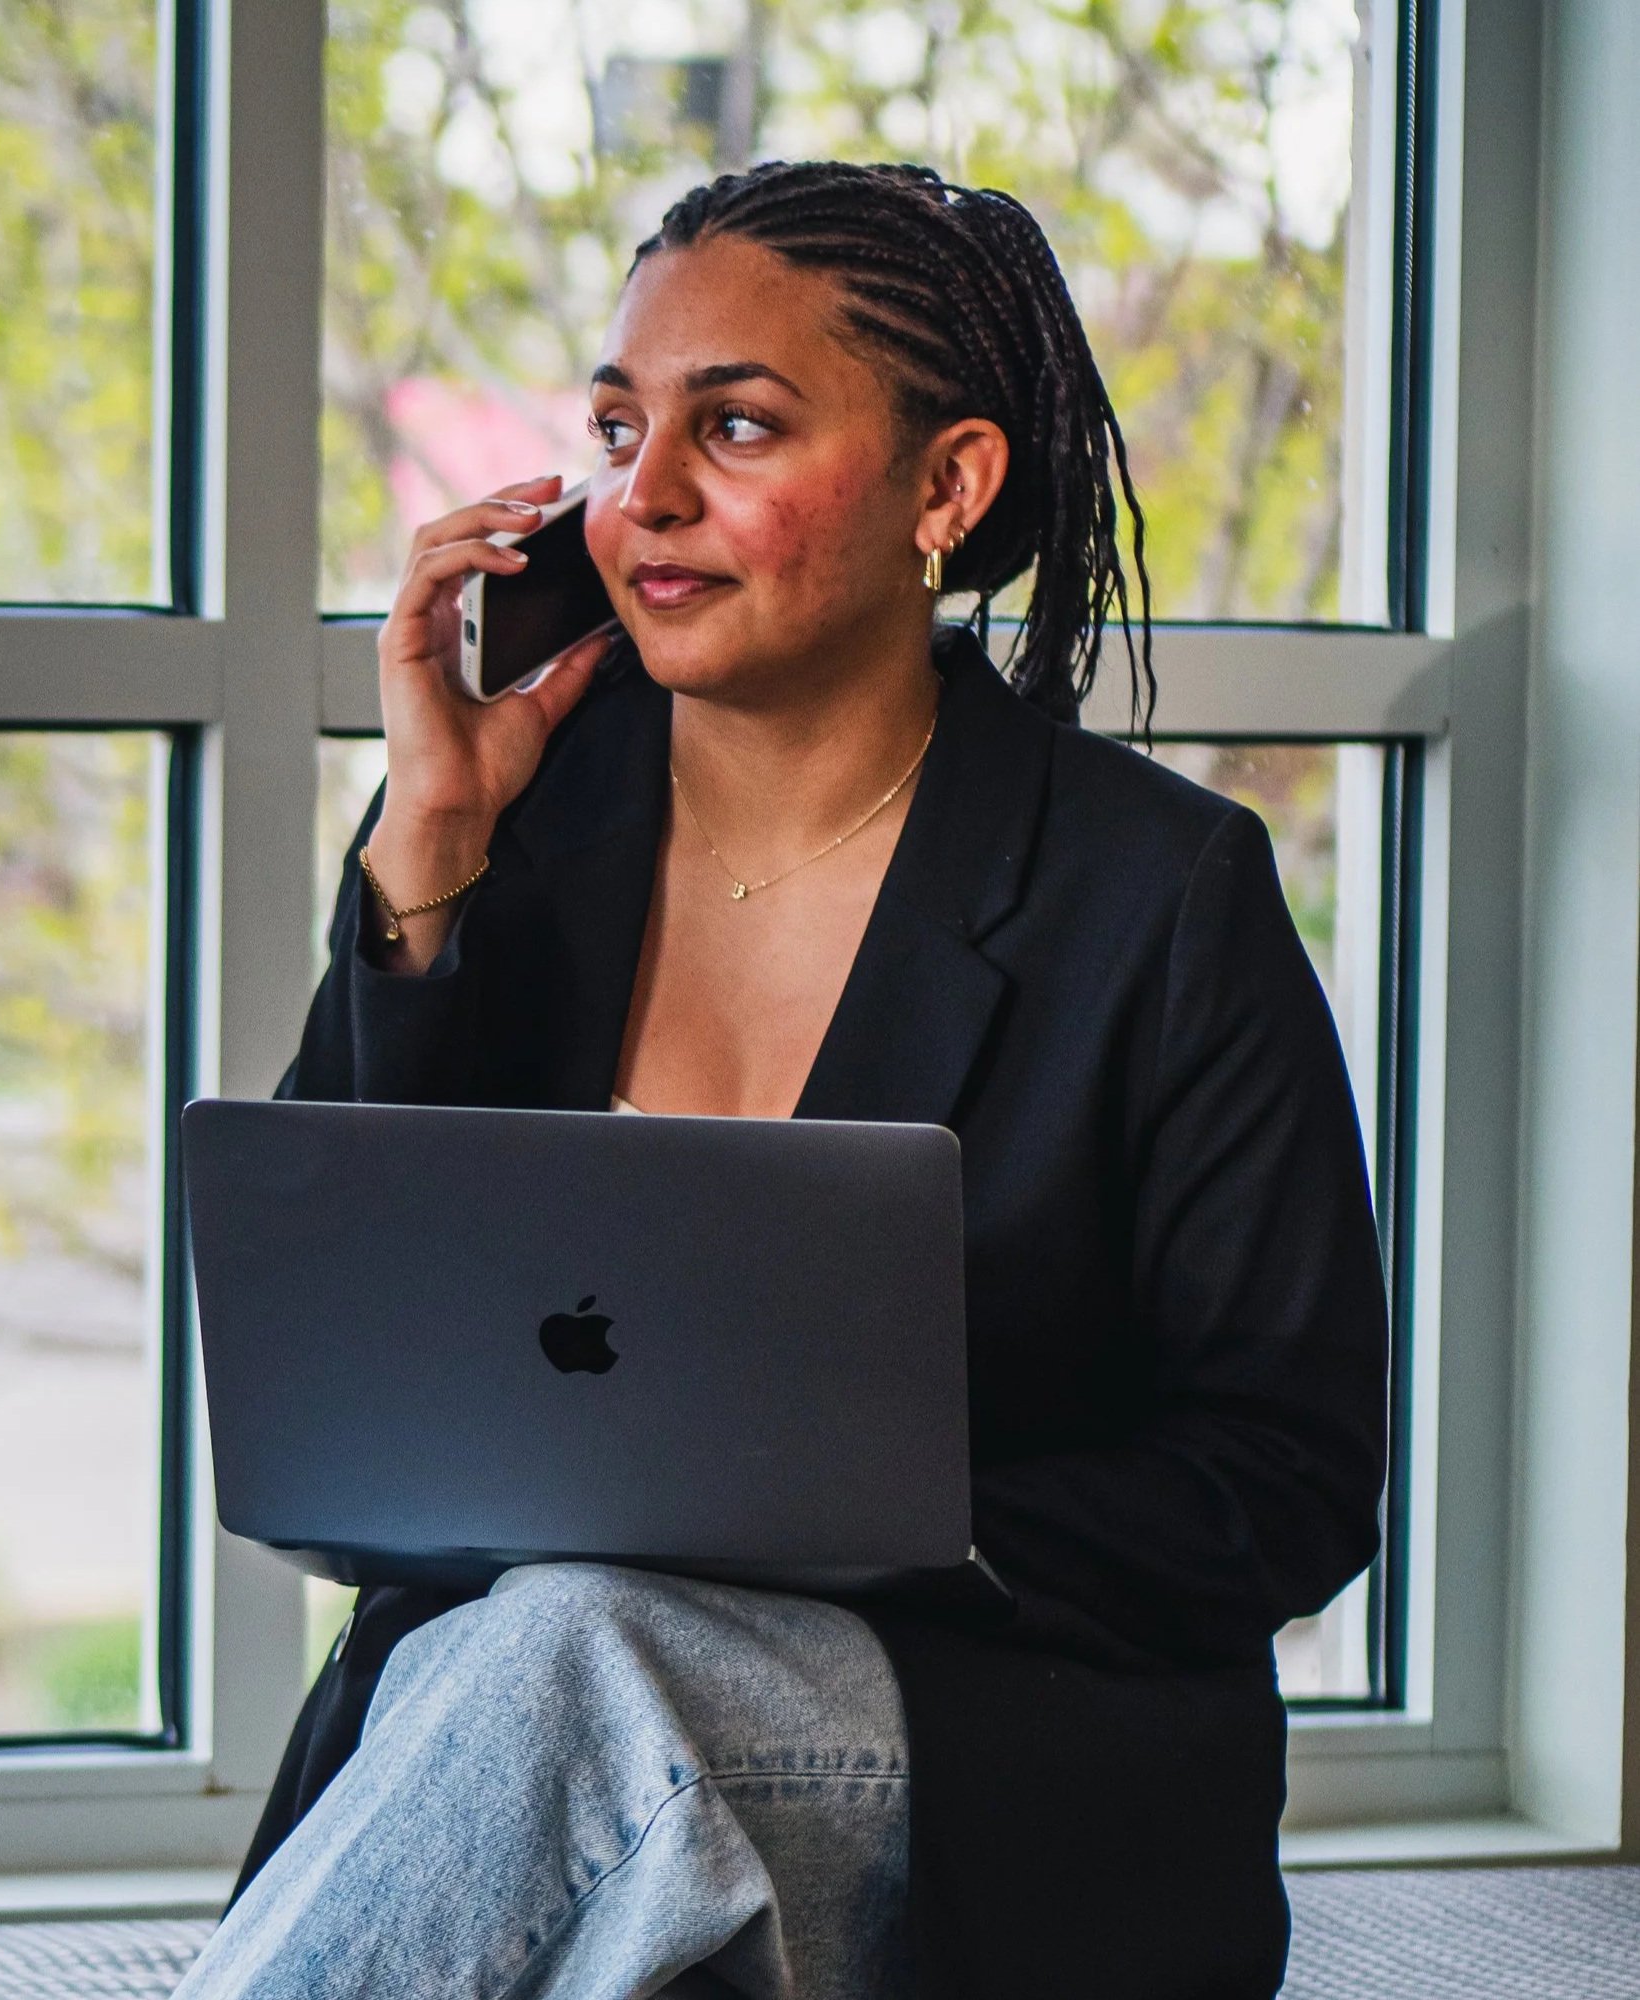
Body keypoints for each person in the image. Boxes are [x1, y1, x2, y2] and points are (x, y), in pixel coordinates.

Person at [174, 161, 1388, 2000]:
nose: (642, 495)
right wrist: (426, 842)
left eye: (733, 424)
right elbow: (341, 1369)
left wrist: (869, 1518)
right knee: (568, 1662)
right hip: (534, 1707)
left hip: (987, 1756)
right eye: (614, 424)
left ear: (949, 486)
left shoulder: (1156, 893)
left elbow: (1290, 1483)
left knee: (582, 1648)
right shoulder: (511, 830)